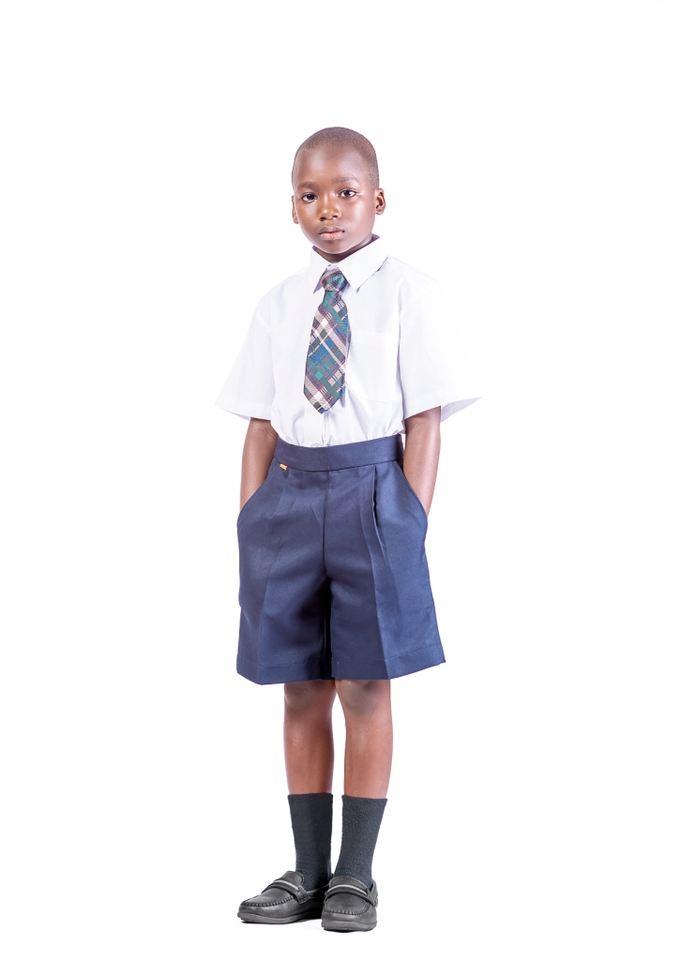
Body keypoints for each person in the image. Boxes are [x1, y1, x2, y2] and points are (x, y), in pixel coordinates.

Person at [215, 126, 481, 932]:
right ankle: (307, 869)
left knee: (365, 683)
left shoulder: (409, 294)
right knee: (300, 685)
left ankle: (355, 876)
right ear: (291, 206)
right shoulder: (279, 304)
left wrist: (410, 522)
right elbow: (260, 421)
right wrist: (251, 517)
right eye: (310, 195)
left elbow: (425, 418)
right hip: (288, 496)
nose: (328, 209)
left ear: (378, 199)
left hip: (374, 493)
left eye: (345, 193)